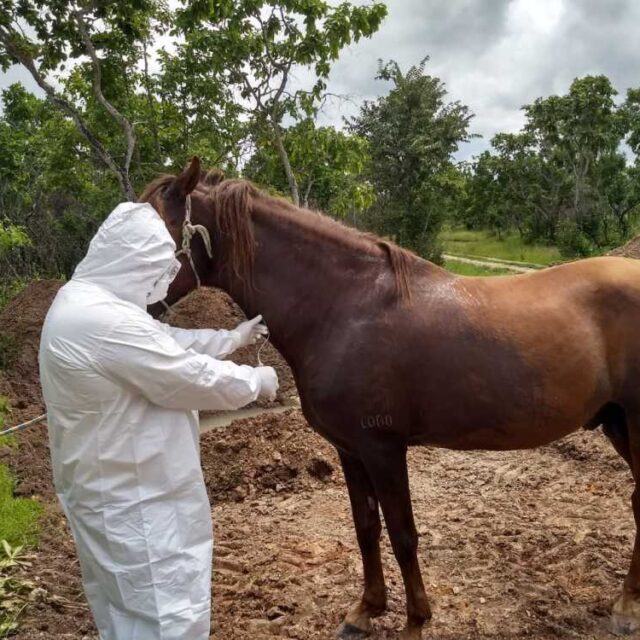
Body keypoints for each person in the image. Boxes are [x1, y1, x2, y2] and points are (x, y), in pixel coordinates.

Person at [39, 201, 279, 640]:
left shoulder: (87, 301)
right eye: (153, 272)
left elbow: (163, 342)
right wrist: (254, 381)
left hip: (114, 487)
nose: (157, 283)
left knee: (126, 612)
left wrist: (231, 339)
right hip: (136, 500)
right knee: (165, 613)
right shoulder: (102, 321)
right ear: (132, 262)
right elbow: (183, 377)